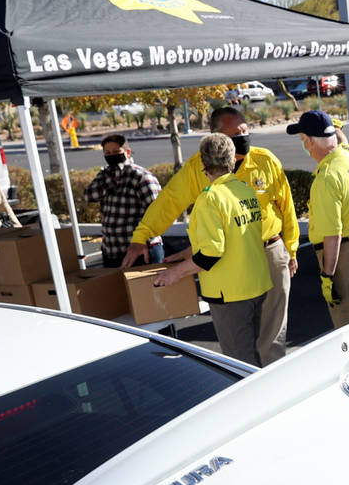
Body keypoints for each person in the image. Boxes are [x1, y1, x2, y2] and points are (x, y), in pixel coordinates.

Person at [122, 106, 298, 366]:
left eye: (246, 129)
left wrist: (291, 250)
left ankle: (272, 389)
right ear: (219, 137)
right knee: (240, 344)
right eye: (237, 132)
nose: (245, 135)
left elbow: (287, 207)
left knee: (272, 338)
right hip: (229, 261)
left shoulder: (264, 160)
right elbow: (169, 201)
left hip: (270, 253)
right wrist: (142, 235)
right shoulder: (197, 169)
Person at [152, 134, 273, 366]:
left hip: (231, 294)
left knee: (240, 363)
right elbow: (233, 235)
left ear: (203, 164)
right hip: (255, 285)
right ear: (232, 160)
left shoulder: (210, 199)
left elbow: (211, 253)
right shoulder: (245, 191)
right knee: (254, 353)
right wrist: (187, 254)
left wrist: (173, 274)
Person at [288, 109, 349, 328]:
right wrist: (335, 129)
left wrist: (328, 275)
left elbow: (333, 234)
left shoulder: (326, 178)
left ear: (310, 141)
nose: (304, 145)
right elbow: (343, 141)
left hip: (347, 256)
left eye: (303, 139)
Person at [82, 134, 163, 269]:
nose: (111, 155)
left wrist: (143, 242)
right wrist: (112, 177)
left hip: (141, 251)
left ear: (127, 152)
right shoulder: (105, 175)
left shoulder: (141, 176)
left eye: (116, 152)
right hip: (112, 252)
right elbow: (89, 196)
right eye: (107, 153)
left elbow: (158, 213)